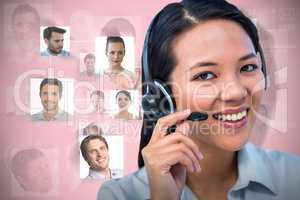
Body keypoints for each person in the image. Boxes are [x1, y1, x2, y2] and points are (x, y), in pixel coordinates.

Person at [98, 0, 300, 200]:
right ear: (162, 94)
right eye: (205, 76)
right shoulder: (120, 195)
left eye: (247, 67)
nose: (236, 93)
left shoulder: (293, 176)